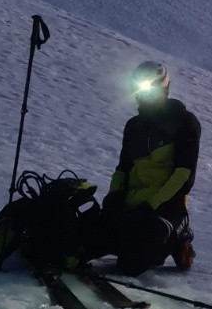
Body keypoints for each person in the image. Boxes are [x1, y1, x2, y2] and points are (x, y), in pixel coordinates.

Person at [80, 61, 200, 274]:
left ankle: (177, 239)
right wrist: (114, 198)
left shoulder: (185, 122)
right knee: (81, 246)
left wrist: (152, 206)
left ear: (163, 88)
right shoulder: (134, 126)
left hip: (166, 208)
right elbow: (123, 168)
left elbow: (184, 175)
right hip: (131, 206)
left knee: (131, 264)